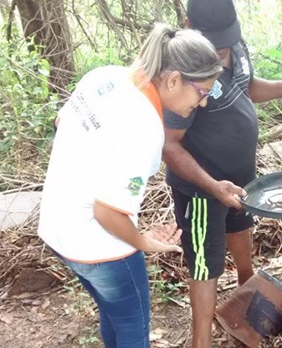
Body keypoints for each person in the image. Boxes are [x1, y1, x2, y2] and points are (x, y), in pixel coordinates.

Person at [37, 23, 223, 348]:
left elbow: (61, 123)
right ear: (174, 79)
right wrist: (143, 241)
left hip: (57, 226)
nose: (204, 103)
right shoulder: (146, 127)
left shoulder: (104, 76)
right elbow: (108, 213)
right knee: (132, 329)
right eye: (203, 92)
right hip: (99, 246)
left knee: (113, 313)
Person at [162, 1, 282, 346]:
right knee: (205, 263)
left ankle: (247, 291)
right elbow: (169, 146)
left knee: (240, 226)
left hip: (239, 176)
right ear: (188, 24)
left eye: (226, 40)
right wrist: (213, 186)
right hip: (201, 188)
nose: (221, 49)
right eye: (214, 42)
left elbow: (245, 86)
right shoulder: (183, 71)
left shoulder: (234, 43)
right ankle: (201, 341)